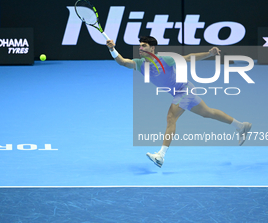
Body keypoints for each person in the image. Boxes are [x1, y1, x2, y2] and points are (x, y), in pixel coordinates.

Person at [106, 36, 252, 168]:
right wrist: (112, 49)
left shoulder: (165, 59)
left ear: (152, 48)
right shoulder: (139, 64)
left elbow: (188, 58)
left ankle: (161, 155)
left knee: (171, 117)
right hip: (178, 93)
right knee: (208, 113)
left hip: (184, 90)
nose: (141, 48)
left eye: (144, 46)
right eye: (140, 46)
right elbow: (123, 62)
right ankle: (241, 126)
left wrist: (209, 53)